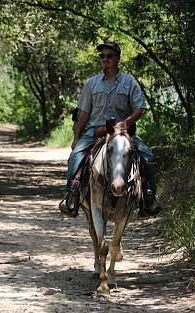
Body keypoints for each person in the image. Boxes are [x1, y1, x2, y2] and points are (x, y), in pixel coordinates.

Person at [59, 41, 161, 217]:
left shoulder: (129, 82)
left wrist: (126, 123)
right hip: (95, 131)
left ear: (117, 58)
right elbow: (83, 112)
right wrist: (76, 137)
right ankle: (71, 196)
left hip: (123, 133)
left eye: (109, 56)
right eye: (102, 56)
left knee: (147, 156)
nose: (105, 59)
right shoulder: (91, 83)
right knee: (75, 157)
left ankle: (149, 197)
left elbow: (141, 108)